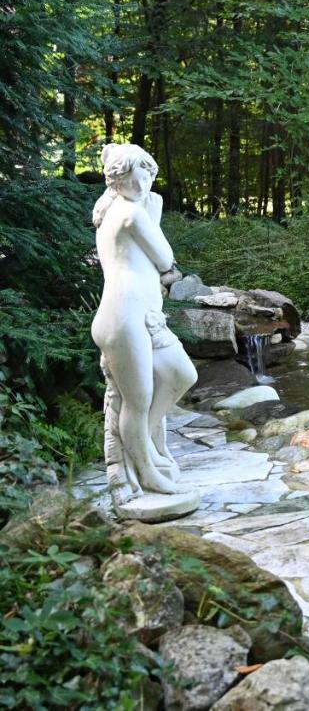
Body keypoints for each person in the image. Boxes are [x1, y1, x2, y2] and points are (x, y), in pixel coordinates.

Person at [91, 143, 198, 499]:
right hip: (123, 317)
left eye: (147, 181)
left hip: (144, 315)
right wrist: (154, 212)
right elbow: (165, 258)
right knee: (136, 400)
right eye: (134, 184)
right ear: (117, 183)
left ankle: (142, 446)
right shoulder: (130, 213)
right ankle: (146, 470)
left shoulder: (124, 208)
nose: (142, 190)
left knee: (182, 374)